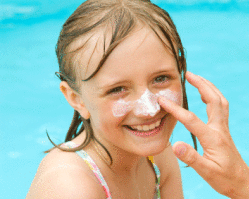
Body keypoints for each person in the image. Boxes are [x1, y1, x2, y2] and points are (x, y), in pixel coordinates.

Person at [27, 0, 195, 198]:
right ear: (77, 99)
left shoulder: (158, 156)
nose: (148, 109)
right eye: (118, 89)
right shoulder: (69, 187)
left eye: (161, 78)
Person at [157, 71, 249, 198]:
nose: (146, 110)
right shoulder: (162, 158)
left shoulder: (162, 161)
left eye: (160, 78)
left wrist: (244, 185)